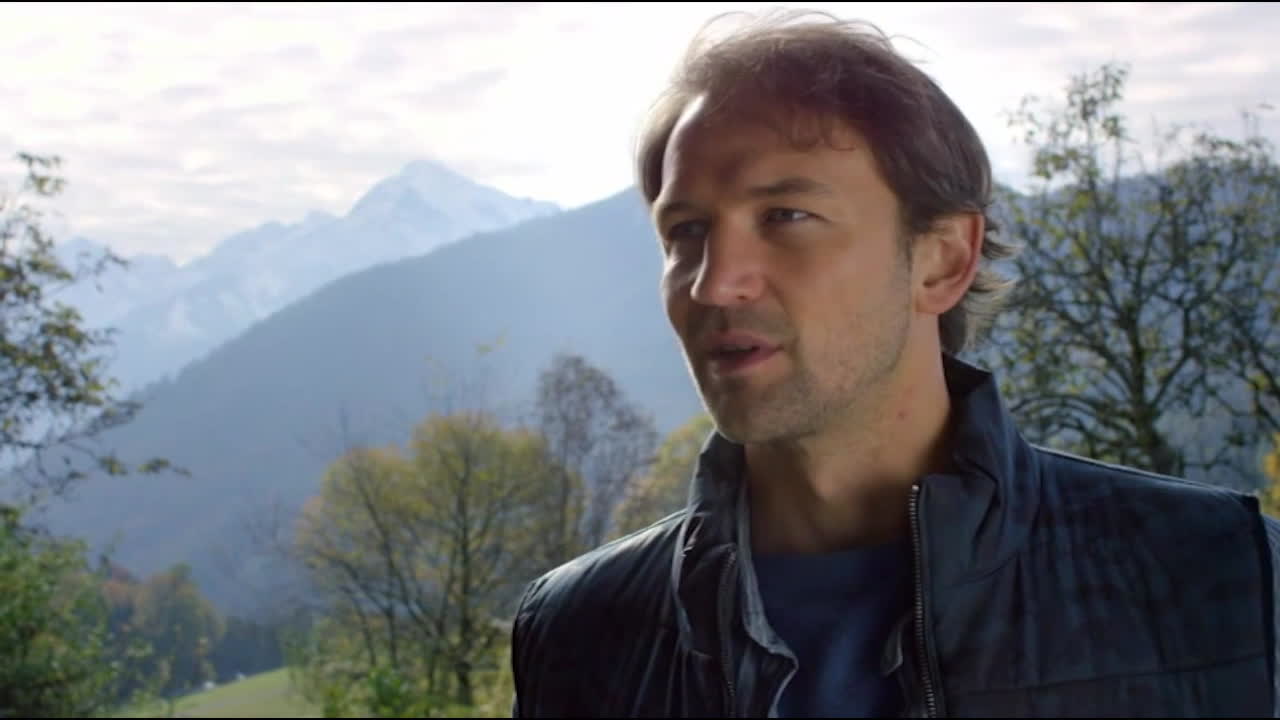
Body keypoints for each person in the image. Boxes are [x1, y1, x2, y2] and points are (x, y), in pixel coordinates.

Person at [509, 8, 1280, 718]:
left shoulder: (1226, 578)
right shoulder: (579, 633)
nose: (715, 283)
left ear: (942, 261)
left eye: (786, 216)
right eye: (685, 232)